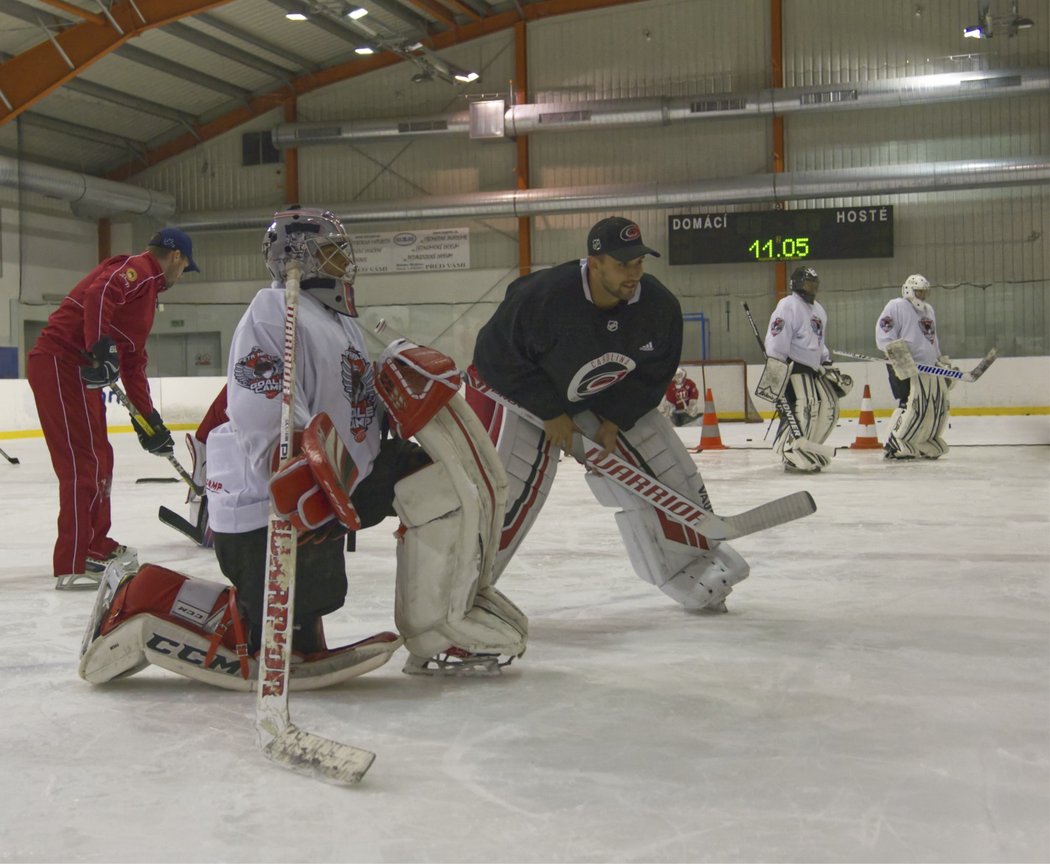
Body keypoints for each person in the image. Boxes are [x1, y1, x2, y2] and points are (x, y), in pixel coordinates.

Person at [80, 207, 527, 690]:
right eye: (333, 251)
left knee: (428, 477)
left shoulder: (337, 319)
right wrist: (287, 465)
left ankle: (439, 625)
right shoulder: (272, 315)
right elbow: (258, 403)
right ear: (301, 258)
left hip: (336, 486)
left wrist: (392, 400)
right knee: (302, 609)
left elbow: (348, 401)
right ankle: (145, 601)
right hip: (273, 505)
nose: (345, 261)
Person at [466, 216, 749, 612]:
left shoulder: (658, 306)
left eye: (638, 263)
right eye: (622, 264)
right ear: (594, 262)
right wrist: (550, 412)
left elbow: (654, 373)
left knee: (666, 467)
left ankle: (689, 566)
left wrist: (616, 419)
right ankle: (457, 591)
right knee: (510, 488)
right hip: (513, 389)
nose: (633, 273)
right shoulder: (545, 297)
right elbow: (494, 356)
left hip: (590, 395)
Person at [27, 228, 197, 590]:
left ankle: (95, 544)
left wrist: (149, 421)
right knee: (82, 461)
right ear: (176, 257)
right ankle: (74, 558)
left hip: (81, 371)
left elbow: (134, 362)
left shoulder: (148, 297)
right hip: (60, 361)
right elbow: (99, 293)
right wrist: (100, 346)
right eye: (185, 268)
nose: (182, 277)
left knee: (102, 456)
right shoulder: (142, 268)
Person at [756, 266, 853, 473]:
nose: (812, 289)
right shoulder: (788, 305)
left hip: (814, 367)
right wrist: (776, 369)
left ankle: (811, 446)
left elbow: (818, 341)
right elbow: (777, 337)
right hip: (793, 367)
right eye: (809, 284)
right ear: (798, 285)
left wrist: (826, 362)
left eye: (815, 285)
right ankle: (790, 449)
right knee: (807, 407)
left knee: (829, 408)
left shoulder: (818, 309)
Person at [875, 274, 953, 460]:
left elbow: (932, 338)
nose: (922, 296)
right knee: (908, 403)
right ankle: (894, 441)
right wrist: (895, 355)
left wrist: (940, 360)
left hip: (927, 368)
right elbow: (885, 331)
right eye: (919, 291)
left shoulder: (929, 310)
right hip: (904, 364)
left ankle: (918, 439)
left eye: (925, 292)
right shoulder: (896, 306)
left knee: (930, 405)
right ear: (908, 290)